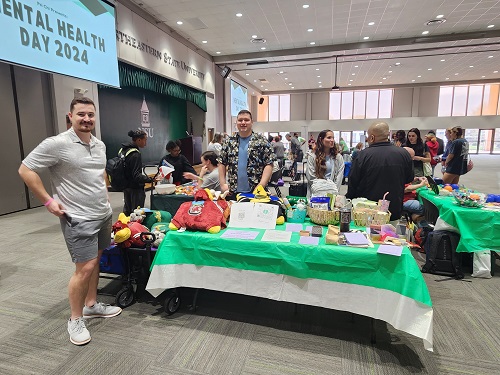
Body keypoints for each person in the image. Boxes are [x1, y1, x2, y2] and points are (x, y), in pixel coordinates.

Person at [18, 97, 121, 346]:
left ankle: (91, 305)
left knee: (96, 262)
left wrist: (104, 194)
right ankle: (75, 319)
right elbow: (25, 169)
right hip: (79, 218)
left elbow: (98, 174)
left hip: (102, 214)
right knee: (83, 269)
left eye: (90, 115)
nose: (86, 119)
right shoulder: (57, 144)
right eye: (81, 114)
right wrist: (48, 201)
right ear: (70, 116)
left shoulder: (99, 144)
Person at [346, 121, 414, 221]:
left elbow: (353, 182)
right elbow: (409, 178)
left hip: (366, 211)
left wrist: (351, 201)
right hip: (393, 210)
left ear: (372, 137)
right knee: (390, 235)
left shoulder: (363, 156)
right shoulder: (403, 154)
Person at [218, 109, 275, 199]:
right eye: (240, 120)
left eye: (246, 120)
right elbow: (221, 162)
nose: (243, 122)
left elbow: (269, 163)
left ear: (252, 122)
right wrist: (223, 184)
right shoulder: (229, 141)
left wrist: (261, 185)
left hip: (256, 191)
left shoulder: (261, 140)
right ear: (236, 122)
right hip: (233, 191)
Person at [121, 129, 152, 215]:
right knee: (137, 215)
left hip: (126, 187)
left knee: (127, 213)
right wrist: (151, 179)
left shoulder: (123, 150)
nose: (145, 143)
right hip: (135, 189)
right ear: (139, 140)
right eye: (145, 140)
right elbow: (137, 176)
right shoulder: (135, 154)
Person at [306, 130, 344, 196]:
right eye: (329, 138)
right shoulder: (312, 156)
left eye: (333, 138)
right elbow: (311, 177)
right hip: (316, 194)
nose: (332, 140)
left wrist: (332, 192)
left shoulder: (338, 157)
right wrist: (321, 191)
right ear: (321, 139)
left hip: (333, 194)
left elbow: (339, 177)